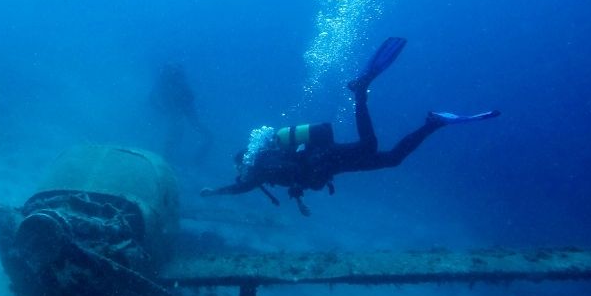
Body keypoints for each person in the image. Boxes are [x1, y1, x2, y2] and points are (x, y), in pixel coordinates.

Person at [200, 37, 499, 215]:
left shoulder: (260, 168)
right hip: (328, 163)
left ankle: (360, 92)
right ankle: (433, 124)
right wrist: (299, 199)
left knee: (372, 147)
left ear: (246, 160)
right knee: (392, 159)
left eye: (240, 167)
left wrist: (215, 192)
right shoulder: (267, 164)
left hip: (325, 160)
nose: (242, 172)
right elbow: (291, 176)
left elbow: (248, 185)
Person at [149, 62, 213, 164]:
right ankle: (168, 158)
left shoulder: (170, 83)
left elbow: (190, 97)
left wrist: (164, 110)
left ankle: (169, 158)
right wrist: (165, 110)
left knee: (179, 130)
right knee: (178, 130)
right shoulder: (167, 84)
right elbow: (152, 100)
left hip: (181, 107)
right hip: (179, 109)